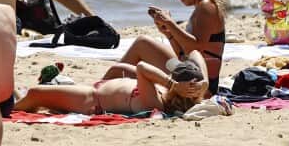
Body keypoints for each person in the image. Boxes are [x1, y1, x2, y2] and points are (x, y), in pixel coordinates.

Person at [104, 0, 226, 92]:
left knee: (142, 44)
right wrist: (168, 33)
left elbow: (195, 48)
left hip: (198, 85)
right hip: (187, 73)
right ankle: (103, 86)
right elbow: (183, 55)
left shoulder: (206, 7)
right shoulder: (202, 7)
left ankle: (100, 88)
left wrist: (170, 23)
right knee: (142, 45)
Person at [18, 51, 209, 116]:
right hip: (98, 88)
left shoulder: (155, 103)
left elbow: (142, 67)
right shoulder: (164, 91)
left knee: (35, 94)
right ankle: (20, 97)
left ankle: (5, 110)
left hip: (92, 100)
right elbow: (195, 54)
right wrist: (205, 82)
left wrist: (172, 84)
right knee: (36, 95)